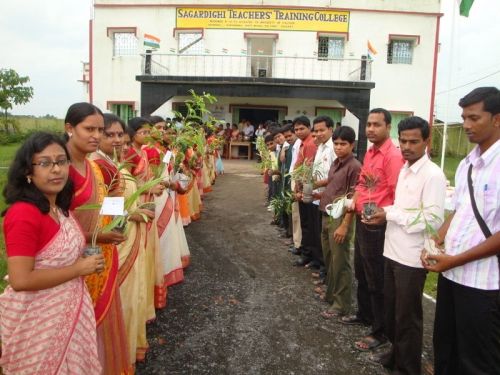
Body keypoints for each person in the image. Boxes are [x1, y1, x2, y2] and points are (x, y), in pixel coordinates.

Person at [0, 132, 103, 374]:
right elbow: (21, 279)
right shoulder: (24, 213)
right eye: (45, 163)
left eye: (61, 161)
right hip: (37, 321)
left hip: (70, 311)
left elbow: (61, 250)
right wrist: (78, 269)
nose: (56, 169)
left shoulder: (59, 207)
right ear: (28, 171)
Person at [422, 87, 500, 375]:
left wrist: (453, 260)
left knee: (477, 361)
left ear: (497, 119)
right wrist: (436, 238)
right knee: (446, 348)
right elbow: (459, 211)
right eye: (464, 117)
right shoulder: (468, 163)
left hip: (484, 284)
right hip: (451, 275)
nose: (466, 125)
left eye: (474, 118)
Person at [365, 116, 446, 374]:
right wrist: (385, 210)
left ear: (426, 141)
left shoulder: (432, 175)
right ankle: (395, 354)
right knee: (391, 312)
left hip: (411, 257)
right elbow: (401, 208)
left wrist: (390, 214)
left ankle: (408, 367)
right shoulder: (404, 169)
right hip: (392, 249)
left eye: (414, 141)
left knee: (407, 317)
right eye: (403, 141)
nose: (408, 146)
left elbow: (432, 219)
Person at [64, 102, 132, 374]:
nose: (96, 135)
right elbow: (56, 228)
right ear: (69, 128)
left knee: (99, 325)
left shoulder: (92, 167)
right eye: (89, 129)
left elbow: (107, 203)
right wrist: (98, 235)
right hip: (71, 264)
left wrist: (117, 225)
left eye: (99, 130)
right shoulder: (62, 169)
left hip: (101, 255)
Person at [344, 108, 404, 353]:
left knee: (376, 277)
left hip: (378, 224)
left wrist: (381, 214)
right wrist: (352, 202)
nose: (370, 129)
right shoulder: (370, 153)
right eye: (368, 124)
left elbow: (396, 192)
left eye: (376, 125)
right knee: (361, 269)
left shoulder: (392, 156)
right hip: (363, 218)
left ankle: (381, 331)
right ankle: (366, 315)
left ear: (388, 127)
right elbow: (363, 184)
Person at [317, 126, 360, 319]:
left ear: (352, 145)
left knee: (340, 261)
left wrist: (344, 224)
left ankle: (341, 304)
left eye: (343, 144)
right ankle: (331, 294)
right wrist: (316, 191)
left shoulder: (354, 167)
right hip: (327, 214)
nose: (339, 147)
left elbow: (354, 198)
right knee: (329, 258)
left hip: (341, 217)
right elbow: (333, 186)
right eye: (336, 143)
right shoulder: (336, 163)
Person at [309, 116, 336, 273]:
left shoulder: (334, 148)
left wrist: (318, 185)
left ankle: (327, 268)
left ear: (330, 129)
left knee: (327, 235)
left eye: (322, 130)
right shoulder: (320, 147)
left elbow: (335, 176)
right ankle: (319, 261)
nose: (318, 133)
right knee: (317, 231)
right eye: (316, 130)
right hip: (315, 196)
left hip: (328, 198)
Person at [293, 116, 318, 267]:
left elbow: (307, 170)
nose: (299, 131)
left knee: (308, 224)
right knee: (305, 223)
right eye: (296, 129)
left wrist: (301, 189)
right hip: (301, 187)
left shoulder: (310, 144)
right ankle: (306, 252)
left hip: (307, 189)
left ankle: (308, 254)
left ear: (309, 128)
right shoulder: (303, 143)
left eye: (302, 128)